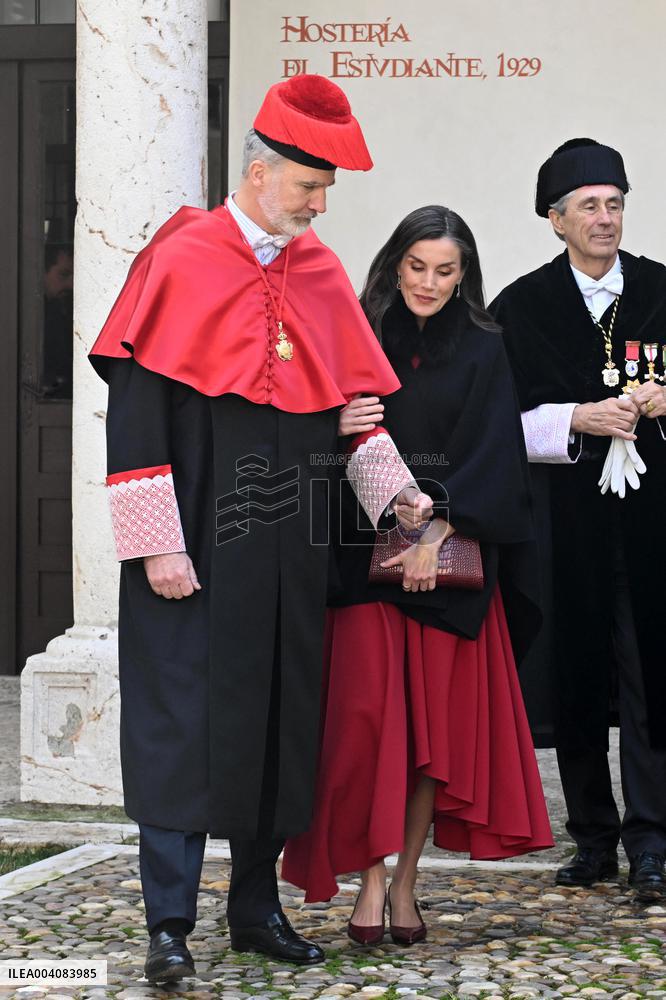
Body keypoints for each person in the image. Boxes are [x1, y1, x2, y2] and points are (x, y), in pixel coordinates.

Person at [88, 75, 407, 982]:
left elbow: (358, 409)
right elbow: (138, 419)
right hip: (189, 552)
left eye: (325, 192)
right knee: (182, 729)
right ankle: (168, 924)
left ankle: (256, 908)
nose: (318, 206)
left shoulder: (320, 271)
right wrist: (155, 544)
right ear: (263, 172)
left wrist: (402, 505)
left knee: (276, 726)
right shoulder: (179, 257)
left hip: (286, 554)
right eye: (309, 187)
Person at [281, 205, 553, 943]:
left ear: (464, 275)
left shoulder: (485, 347)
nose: (429, 282)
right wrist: (328, 428)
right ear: (394, 262)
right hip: (360, 564)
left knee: (433, 742)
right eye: (417, 266)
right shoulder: (356, 332)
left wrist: (436, 530)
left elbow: (495, 454)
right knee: (368, 730)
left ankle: (404, 887)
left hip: (451, 567)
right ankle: (368, 881)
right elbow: (307, 432)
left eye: (446, 270)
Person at [490, 138, 666, 901]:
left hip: (655, 523)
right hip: (564, 522)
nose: (606, 217)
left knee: (653, 677)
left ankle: (653, 840)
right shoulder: (520, 308)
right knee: (577, 675)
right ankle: (593, 835)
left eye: (616, 202)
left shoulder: (663, 289)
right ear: (555, 219)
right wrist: (576, 418)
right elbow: (499, 422)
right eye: (589, 205)